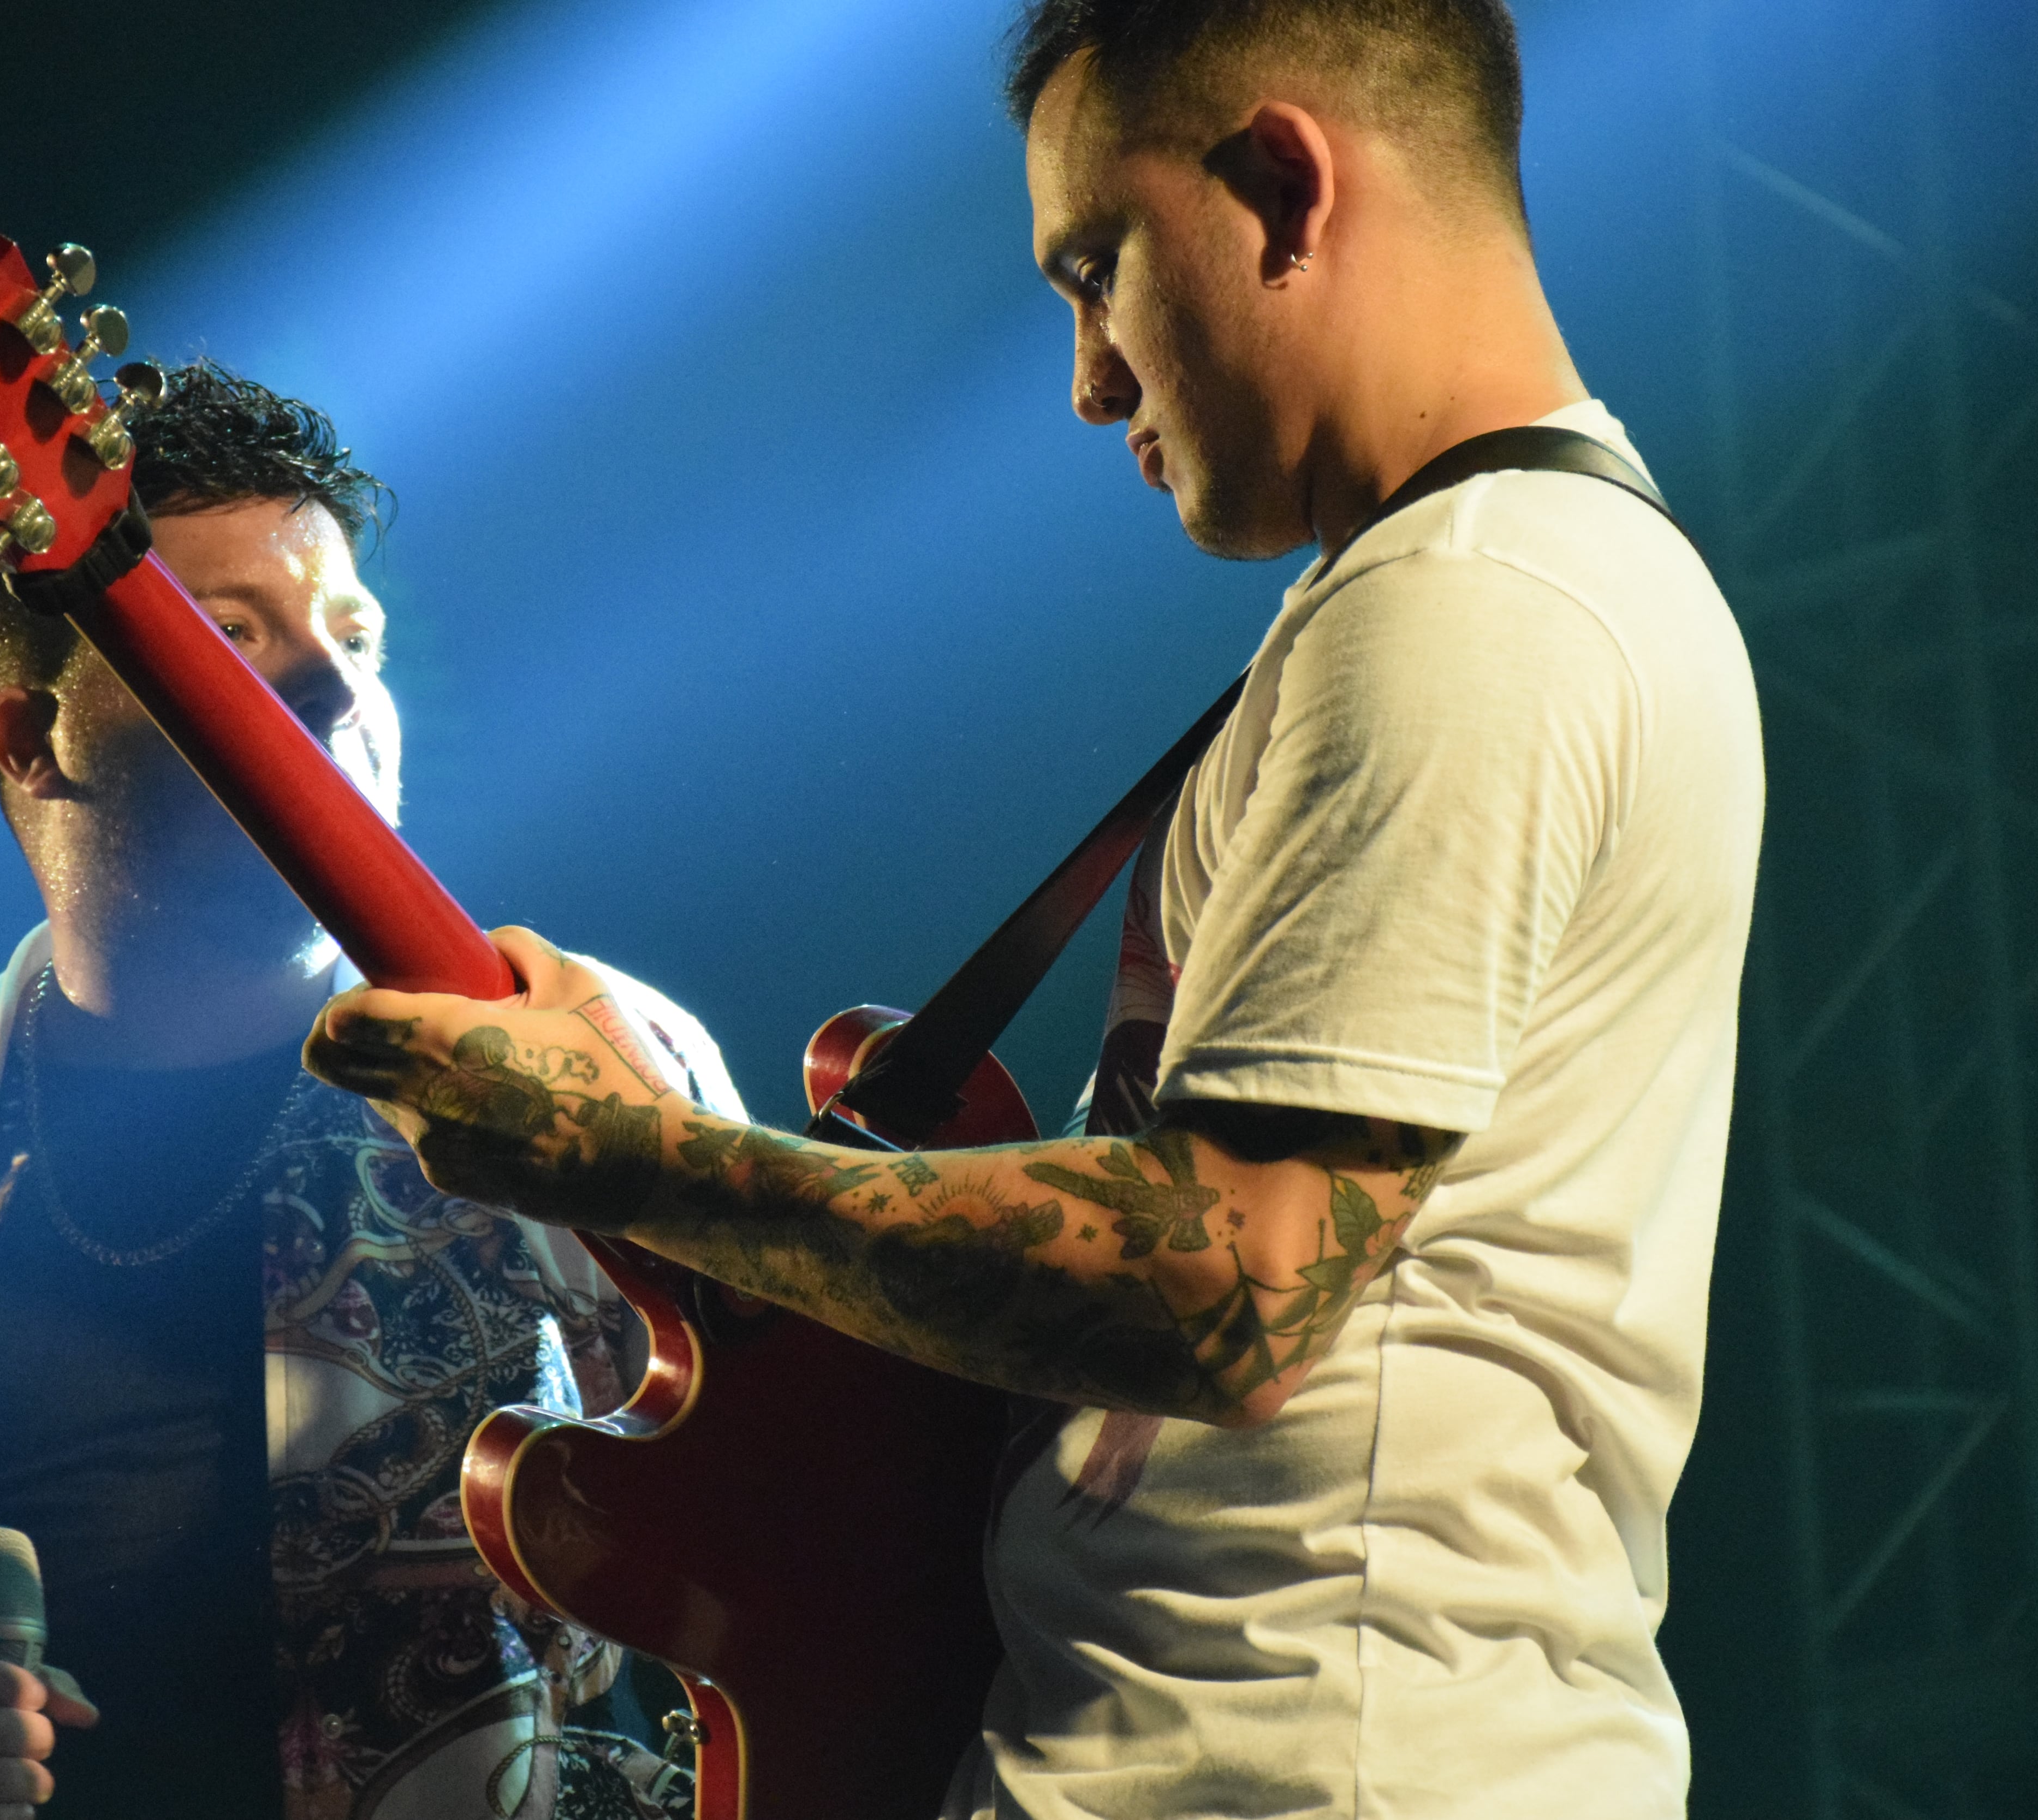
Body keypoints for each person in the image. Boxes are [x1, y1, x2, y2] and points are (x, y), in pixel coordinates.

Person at [299, 3, 1763, 1817]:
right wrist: (655, 1139)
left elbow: (1227, 1285)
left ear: (1285, 189)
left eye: (1098, 267)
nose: (1085, 378)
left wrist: (632, 1162)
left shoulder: (1477, 612)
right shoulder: (1482, 592)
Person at [0, 361, 740, 1820]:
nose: (333, 682)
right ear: (31, 735)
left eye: (354, 634)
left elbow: (826, 1554)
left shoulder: (573, 1065)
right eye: (232, 636)